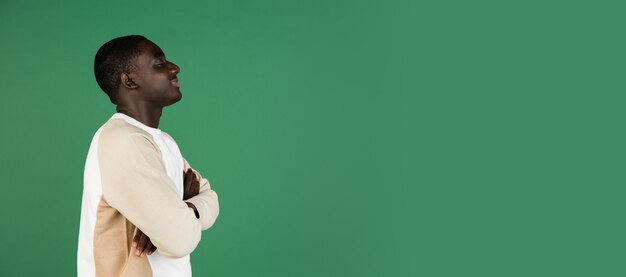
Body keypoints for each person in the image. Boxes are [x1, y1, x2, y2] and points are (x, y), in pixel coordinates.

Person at [77, 35, 220, 276]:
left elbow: (211, 198)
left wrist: (184, 210)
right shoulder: (122, 140)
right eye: (160, 63)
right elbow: (178, 239)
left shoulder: (162, 141)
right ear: (130, 80)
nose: (175, 68)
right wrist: (179, 217)